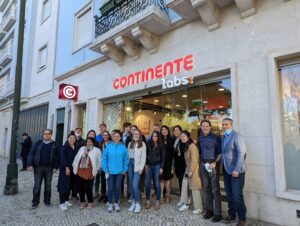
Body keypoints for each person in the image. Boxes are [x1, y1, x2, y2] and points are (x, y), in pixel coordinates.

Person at [221, 118, 247, 226]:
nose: (224, 126)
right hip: (227, 170)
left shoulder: (237, 136)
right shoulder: (224, 136)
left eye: (226, 124)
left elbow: (242, 153)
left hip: (237, 171)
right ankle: (231, 214)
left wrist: (236, 169)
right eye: (223, 124)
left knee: (237, 195)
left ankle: (242, 218)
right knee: (229, 194)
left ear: (231, 125)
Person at [27, 129, 60, 209]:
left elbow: (57, 157)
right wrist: (30, 164)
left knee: (48, 185)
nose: (46, 135)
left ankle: (47, 201)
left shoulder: (55, 144)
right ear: (43, 135)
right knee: (37, 185)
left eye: (48, 134)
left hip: (49, 168)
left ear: (51, 135)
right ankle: (35, 202)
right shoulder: (38, 143)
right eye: (45, 134)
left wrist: (55, 167)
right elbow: (31, 153)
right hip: (38, 167)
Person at [198, 119, 222, 222]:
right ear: (201, 127)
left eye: (207, 126)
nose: (205, 128)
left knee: (215, 190)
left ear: (210, 127)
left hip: (213, 165)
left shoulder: (216, 138)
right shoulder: (199, 138)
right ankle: (209, 211)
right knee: (206, 189)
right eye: (203, 126)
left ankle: (218, 213)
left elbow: (221, 153)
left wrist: (215, 163)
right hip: (203, 165)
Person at [102, 130, 129, 213]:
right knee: (110, 188)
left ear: (120, 137)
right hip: (110, 172)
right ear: (113, 137)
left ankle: (116, 203)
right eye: (115, 136)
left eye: (118, 136)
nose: (116, 137)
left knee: (117, 188)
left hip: (119, 172)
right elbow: (104, 158)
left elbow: (126, 159)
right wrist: (105, 168)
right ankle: (110, 204)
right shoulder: (109, 146)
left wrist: (125, 169)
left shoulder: (123, 147)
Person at [177, 131, 203, 215]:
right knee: (184, 185)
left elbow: (194, 160)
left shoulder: (192, 146)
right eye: (181, 136)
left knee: (195, 188)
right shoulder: (186, 145)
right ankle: (185, 203)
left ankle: (199, 208)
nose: (182, 138)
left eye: (184, 136)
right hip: (188, 169)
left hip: (194, 169)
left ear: (188, 137)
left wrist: (191, 171)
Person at [73, 137, 101, 209]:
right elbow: (76, 157)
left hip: (89, 171)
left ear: (93, 143)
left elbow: (99, 161)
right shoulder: (82, 148)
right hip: (80, 170)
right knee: (80, 186)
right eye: (87, 142)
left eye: (90, 142)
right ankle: (82, 201)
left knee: (87, 187)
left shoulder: (97, 150)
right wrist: (74, 165)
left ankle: (90, 201)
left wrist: (97, 169)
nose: (89, 143)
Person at [57, 133, 79, 211]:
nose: (72, 139)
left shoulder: (76, 147)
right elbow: (63, 158)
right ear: (67, 138)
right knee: (63, 185)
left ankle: (66, 200)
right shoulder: (64, 147)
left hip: (73, 169)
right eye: (70, 138)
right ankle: (61, 203)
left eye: (73, 138)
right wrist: (66, 167)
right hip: (65, 169)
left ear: (75, 139)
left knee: (69, 185)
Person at [127, 129, 146, 213]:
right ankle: (134, 202)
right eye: (134, 134)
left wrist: (141, 168)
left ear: (140, 135)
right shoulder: (129, 143)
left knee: (135, 185)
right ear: (132, 135)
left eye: (137, 134)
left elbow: (143, 157)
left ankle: (137, 203)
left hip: (137, 165)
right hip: (130, 164)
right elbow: (127, 156)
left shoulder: (142, 144)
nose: (136, 135)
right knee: (131, 184)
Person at [145, 131, 165, 210]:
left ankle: (157, 201)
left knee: (157, 183)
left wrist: (161, 167)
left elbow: (163, 157)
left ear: (158, 137)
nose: (154, 137)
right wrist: (145, 164)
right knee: (147, 184)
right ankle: (148, 200)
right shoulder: (148, 144)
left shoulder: (161, 145)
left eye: (156, 136)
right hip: (149, 165)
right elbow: (145, 154)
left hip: (157, 165)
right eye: (153, 136)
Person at [160, 125, 173, 203]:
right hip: (161, 162)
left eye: (165, 129)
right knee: (161, 180)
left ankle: (167, 195)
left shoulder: (171, 140)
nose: (164, 131)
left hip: (169, 163)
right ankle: (161, 196)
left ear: (168, 130)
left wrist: (173, 165)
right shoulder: (159, 140)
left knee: (167, 180)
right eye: (163, 130)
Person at [98, 131, 111, 203]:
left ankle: (109, 195)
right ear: (102, 136)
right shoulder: (100, 143)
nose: (105, 136)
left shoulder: (111, 143)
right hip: (103, 164)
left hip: (110, 165)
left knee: (109, 181)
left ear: (109, 136)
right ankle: (103, 194)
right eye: (104, 135)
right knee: (103, 181)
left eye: (107, 135)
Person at [172, 125, 185, 196]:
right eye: (174, 130)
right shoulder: (174, 139)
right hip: (177, 163)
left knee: (182, 180)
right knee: (180, 179)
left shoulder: (183, 138)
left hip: (183, 162)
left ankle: (184, 198)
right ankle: (182, 197)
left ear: (180, 131)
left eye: (177, 130)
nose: (176, 131)